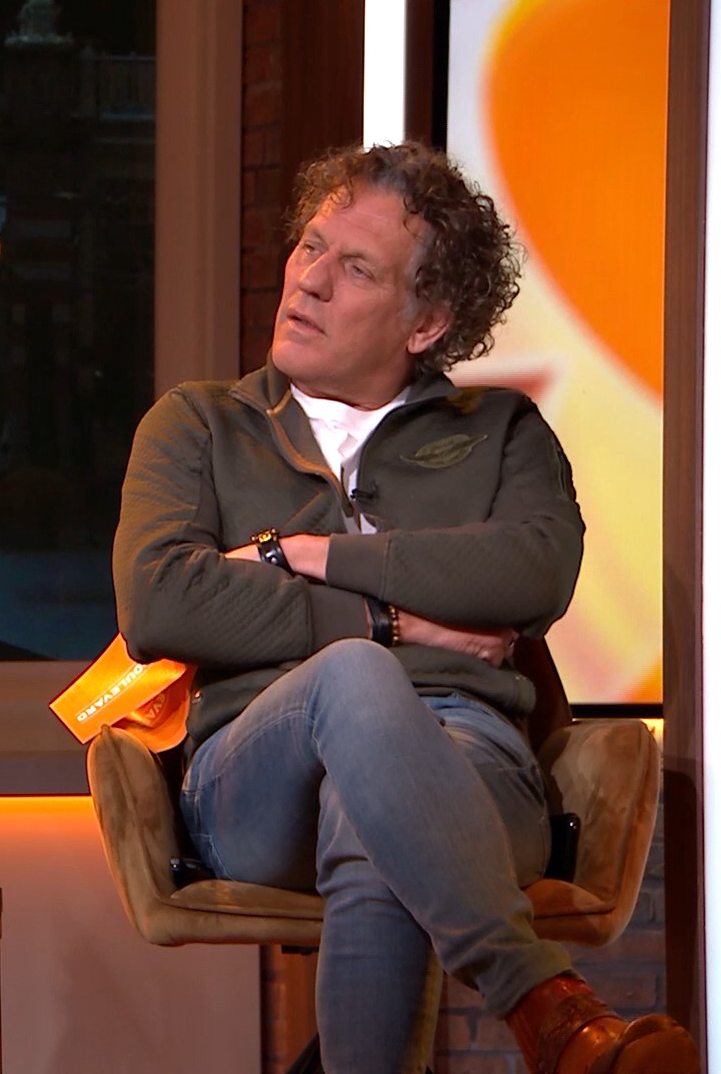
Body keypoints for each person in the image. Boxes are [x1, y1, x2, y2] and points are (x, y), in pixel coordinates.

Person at [112, 143, 695, 1074]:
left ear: (426, 321)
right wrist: (391, 625)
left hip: (474, 761)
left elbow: (535, 573)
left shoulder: (501, 431)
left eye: (355, 269)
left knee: (368, 810)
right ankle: (546, 1008)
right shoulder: (200, 424)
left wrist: (305, 554)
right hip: (258, 774)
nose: (308, 280)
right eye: (311, 246)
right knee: (353, 676)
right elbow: (160, 600)